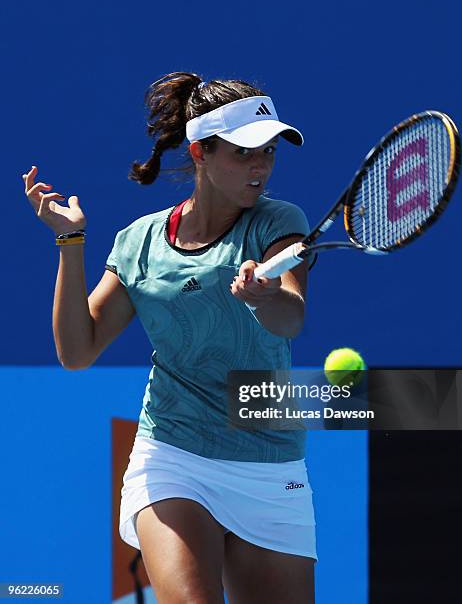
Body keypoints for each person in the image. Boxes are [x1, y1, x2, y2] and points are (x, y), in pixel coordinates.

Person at [23, 71, 317, 603]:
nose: (261, 167)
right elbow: (77, 351)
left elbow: (290, 316)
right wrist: (70, 242)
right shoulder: (139, 241)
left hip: (271, 463)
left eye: (269, 152)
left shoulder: (279, 222)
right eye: (245, 152)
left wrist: (264, 296)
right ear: (200, 151)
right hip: (173, 455)